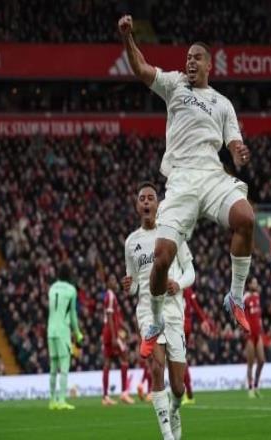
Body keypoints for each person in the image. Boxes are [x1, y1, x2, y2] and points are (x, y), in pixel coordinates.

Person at [118, 15, 254, 358]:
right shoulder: (174, 84)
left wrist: (238, 152)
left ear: (209, 65)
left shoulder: (223, 104)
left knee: (246, 218)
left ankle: (236, 295)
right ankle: (156, 322)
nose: (190, 62)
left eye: (197, 58)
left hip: (212, 176)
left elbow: (234, 143)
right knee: (162, 257)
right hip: (180, 181)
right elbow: (141, 69)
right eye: (188, 58)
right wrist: (128, 37)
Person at [123, 181, 195, 440]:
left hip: (174, 312)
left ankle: (174, 411)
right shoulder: (131, 242)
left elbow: (191, 272)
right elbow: (134, 285)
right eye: (141, 198)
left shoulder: (173, 233)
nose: (146, 202)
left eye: (150, 198)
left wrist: (180, 283)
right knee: (156, 369)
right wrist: (129, 287)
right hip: (148, 312)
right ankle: (167, 435)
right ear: (137, 205)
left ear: (158, 204)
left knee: (178, 387)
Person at [47, 262, 83, 410]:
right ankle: (61, 400)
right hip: (62, 331)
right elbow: (72, 315)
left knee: (53, 367)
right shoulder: (71, 290)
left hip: (50, 330)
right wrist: (78, 334)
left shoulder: (52, 288)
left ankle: (52, 401)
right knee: (64, 367)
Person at [101, 273, 134, 406]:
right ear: (108, 283)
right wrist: (114, 336)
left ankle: (105, 397)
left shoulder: (111, 295)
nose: (115, 282)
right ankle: (124, 393)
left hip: (108, 332)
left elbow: (116, 318)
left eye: (115, 280)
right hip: (111, 333)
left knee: (107, 362)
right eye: (112, 280)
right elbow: (110, 317)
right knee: (125, 357)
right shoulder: (110, 295)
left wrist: (126, 329)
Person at [182, 287, 212, 405]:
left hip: (179, 324)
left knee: (177, 359)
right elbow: (196, 305)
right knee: (180, 359)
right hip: (186, 325)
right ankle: (188, 393)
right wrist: (203, 320)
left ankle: (186, 393)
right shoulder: (187, 288)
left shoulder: (174, 285)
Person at [244, 277, 265, 398]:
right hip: (250, 334)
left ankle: (256, 385)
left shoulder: (257, 296)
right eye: (254, 283)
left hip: (258, 333)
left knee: (261, 361)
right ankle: (250, 388)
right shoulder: (245, 297)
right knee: (250, 363)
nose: (256, 285)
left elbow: (259, 315)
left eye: (256, 283)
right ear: (249, 285)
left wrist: (261, 326)